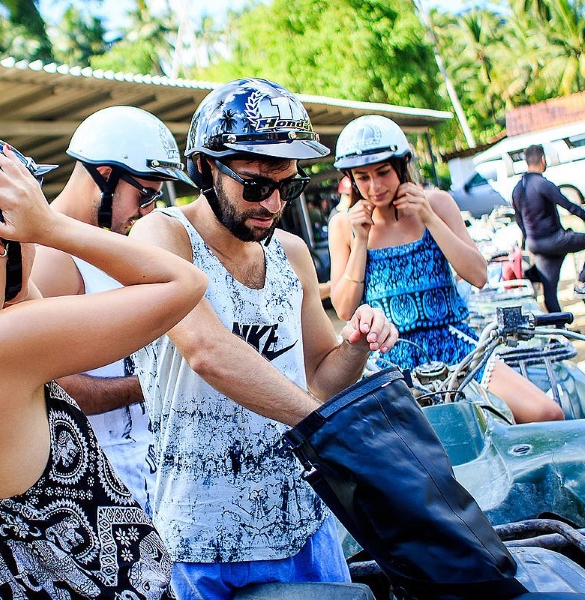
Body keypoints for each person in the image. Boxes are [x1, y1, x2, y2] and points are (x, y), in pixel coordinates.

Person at [0, 133, 208, 599]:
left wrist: (13, 257)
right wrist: (50, 226)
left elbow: (18, 297)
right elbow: (184, 282)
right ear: (0, 235)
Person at [128, 78, 399, 600]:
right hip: (202, 537)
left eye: (287, 187)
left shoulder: (291, 253)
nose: (272, 204)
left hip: (303, 522)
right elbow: (206, 352)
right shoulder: (162, 237)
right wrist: (323, 427)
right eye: (254, 185)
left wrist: (358, 343)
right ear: (205, 167)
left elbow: (320, 379)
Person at [328, 115, 564, 424]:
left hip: (454, 344)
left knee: (547, 412)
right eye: (362, 177)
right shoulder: (345, 225)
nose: (374, 187)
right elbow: (345, 309)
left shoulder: (436, 202)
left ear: (402, 164)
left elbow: (478, 275)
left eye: (383, 172)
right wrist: (360, 241)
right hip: (388, 359)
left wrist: (428, 217)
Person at [31, 106, 193, 515]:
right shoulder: (51, 257)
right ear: (105, 175)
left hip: (145, 463)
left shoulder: (103, 244)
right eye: (144, 194)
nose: (148, 210)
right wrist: (156, 383)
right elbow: (52, 388)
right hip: (106, 479)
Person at [511, 143, 585, 312]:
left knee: (550, 293)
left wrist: (528, 241)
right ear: (543, 159)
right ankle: (582, 282)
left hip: (536, 245)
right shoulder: (542, 184)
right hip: (555, 239)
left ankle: (560, 331)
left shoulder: (517, 189)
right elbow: (569, 206)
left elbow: (519, 221)